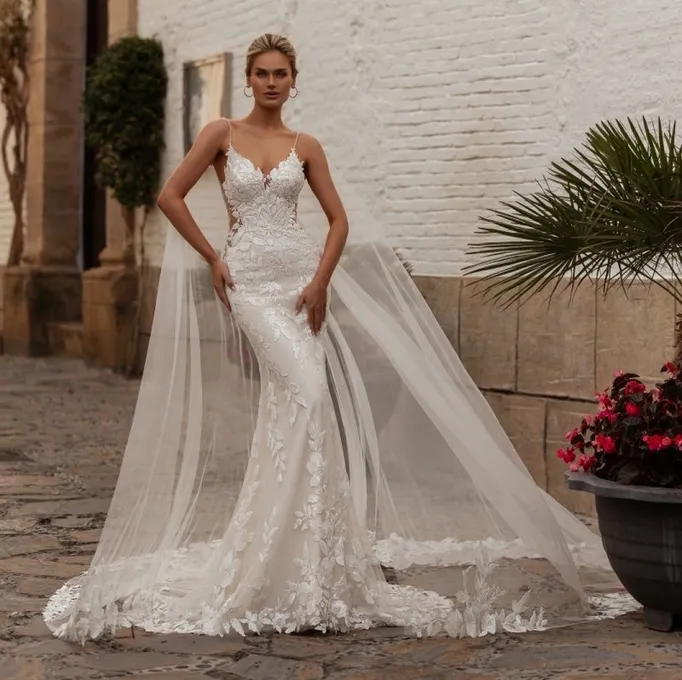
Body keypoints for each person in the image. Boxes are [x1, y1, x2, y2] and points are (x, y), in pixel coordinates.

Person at [43, 33, 629, 643]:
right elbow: (170, 196)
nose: (272, 83)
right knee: (308, 395)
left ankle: (306, 558)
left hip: (299, 284)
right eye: (263, 74)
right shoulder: (221, 134)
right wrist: (213, 257)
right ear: (249, 80)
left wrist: (321, 281)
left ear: (294, 81)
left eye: (282, 74)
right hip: (250, 285)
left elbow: (338, 219)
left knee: (296, 407)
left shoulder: (305, 146)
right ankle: (281, 554)